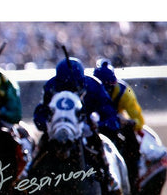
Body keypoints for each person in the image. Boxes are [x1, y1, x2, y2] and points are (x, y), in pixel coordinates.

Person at [29, 56, 121, 187]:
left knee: (99, 143)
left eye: (71, 88)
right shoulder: (50, 87)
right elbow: (39, 116)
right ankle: (28, 175)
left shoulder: (95, 87)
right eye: (63, 88)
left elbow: (112, 120)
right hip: (56, 133)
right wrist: (49, 124)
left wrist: (96, 125)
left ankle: (109, 176)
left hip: (87, 134)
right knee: (42, 143)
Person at [93, 59, 143, 189]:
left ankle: (134, 176)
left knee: (131, 143)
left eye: (108, 88)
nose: (105, 93)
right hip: (96, 125)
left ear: (114, 84)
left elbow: (139, 121)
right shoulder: (89, 91)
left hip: (116, 126)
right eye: (102, 88)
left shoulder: (125, 92)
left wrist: (128, 122)